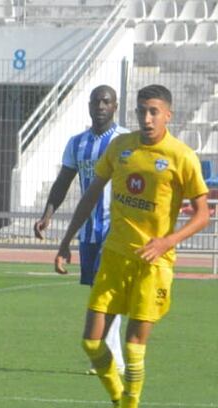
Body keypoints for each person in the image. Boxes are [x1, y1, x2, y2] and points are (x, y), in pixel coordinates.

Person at [53, 84, 210, 408]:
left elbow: (203, 213)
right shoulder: (121, 147)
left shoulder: (181, 156)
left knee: (134, 344)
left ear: (168, 115)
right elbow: (92, 193)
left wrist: (166, 242)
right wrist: (65, 240)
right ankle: (118, 399)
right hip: (114, 256)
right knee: (91, 341)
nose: (147, 118)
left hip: (153, 265)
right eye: (142, 111)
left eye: (154, 111)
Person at [33, 85, 131, 375]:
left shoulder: (124, 141)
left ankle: (109, 356)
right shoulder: (77, 143)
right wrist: (47, 215)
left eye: (106, 101)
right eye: (96, 101)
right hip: (89, 231)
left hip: (117, 228)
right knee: (98, 291)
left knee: (106, 291)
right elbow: (64, 180)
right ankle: (106, 353)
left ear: (114, 106)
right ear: (89, 106)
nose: (100, 106)